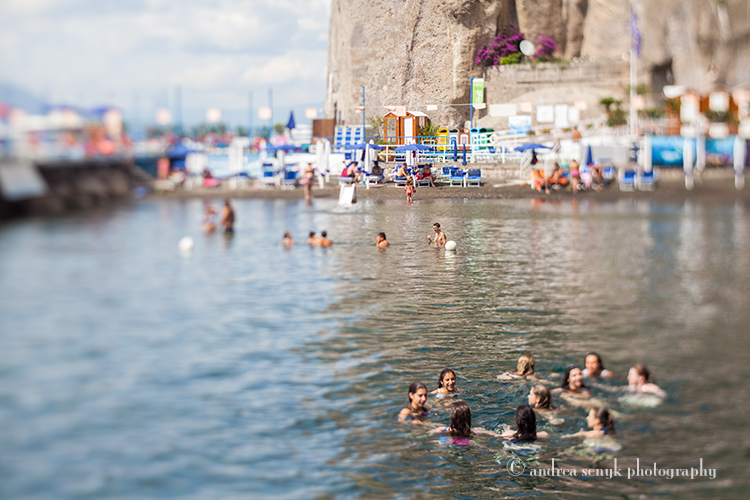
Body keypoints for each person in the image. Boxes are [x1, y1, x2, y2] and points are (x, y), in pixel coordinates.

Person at [429, 401, 500, 443]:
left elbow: (427, 435)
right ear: (469, 417)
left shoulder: (441, 430)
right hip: (467, 444)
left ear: (452, 417)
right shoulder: (474, 432)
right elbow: (495, 435)